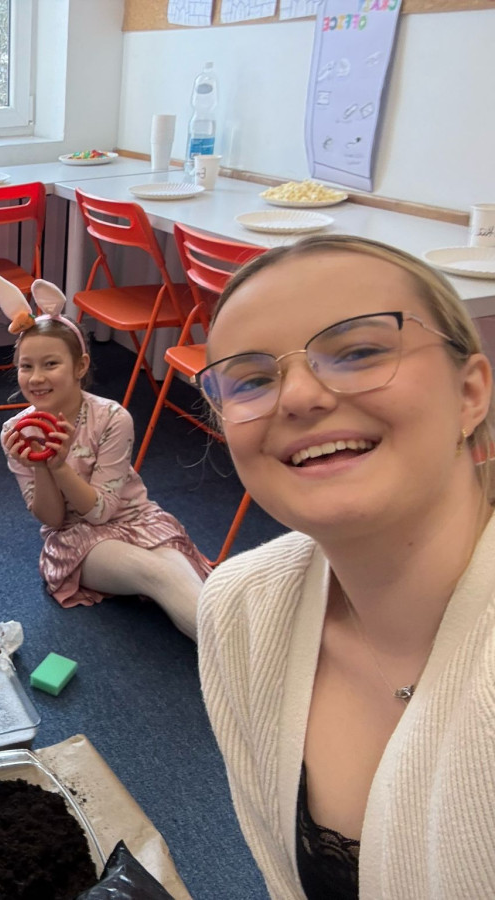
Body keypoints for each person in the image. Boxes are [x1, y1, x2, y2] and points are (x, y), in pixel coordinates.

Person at [196, 235, 495, 899]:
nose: (300, 396)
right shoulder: (241, 607)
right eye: (252, 380)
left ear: (470, 392)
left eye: (359, 352)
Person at [0, 274, 209, 640]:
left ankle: (251, 650)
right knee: (158, 575)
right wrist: (46, 466)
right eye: (26, 366)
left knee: (182, 574)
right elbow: (58, 519)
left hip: (137, 518)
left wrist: (60, 465)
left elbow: (106, 507)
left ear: (80, 366)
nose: (36, 377)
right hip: (79, 537)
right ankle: (245, 658)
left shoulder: (111, 418)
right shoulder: (16, 431)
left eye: (50, 364)